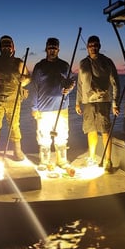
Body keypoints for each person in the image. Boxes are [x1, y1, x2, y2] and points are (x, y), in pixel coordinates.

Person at [75, 35, 120, 173]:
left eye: (95, 45)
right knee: (90, 130)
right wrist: (77, 102)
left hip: (103, 101)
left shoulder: (107, 62)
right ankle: (92, 157)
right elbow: (80, 84)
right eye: (90, 45)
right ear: (87, 47)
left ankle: (108, 160)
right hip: (87, 103)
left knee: (105, 130)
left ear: (99, 46)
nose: (93, 47)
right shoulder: (82, 63)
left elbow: (115, 82)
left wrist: (115, 103)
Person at [30, 37, 75, 169]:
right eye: (50, 47)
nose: (52, 50)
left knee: (62, 135)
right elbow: (34, 87)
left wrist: (70, 87)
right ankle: (44, 161)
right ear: (46, 49)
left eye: (55, 48)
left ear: (58, 49)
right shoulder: (39, 67)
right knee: (43, 137)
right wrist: (34, 107)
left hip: (62, 108)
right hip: (43, 109)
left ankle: (62, 161)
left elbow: (72, 81)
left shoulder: (65, 65)